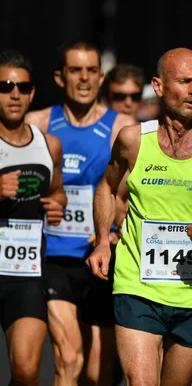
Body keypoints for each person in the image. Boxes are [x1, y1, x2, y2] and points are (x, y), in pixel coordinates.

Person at [86, 47, 192, 386]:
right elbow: (106, 188)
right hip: (138, 284)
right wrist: (103, 241)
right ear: (160, 86)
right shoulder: (133, 140)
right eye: (184, 81)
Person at [25, 40, 138, 386]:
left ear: (101, 77)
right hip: (53, 257)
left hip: (102, 258)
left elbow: (135, 194)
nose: (85, 78)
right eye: (76, 70)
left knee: (97, 374)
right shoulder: (37, 123)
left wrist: (116, 230)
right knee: (68, 357)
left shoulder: (123, 127)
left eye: (91, 70)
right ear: (60, 77)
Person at [0, 49, 67, 385]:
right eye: (5, 86)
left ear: (32, 94)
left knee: (26, 371)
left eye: (23, 88)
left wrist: (58, 204)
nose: (15, 94)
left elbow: (58, 190)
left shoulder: (49, 144)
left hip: (24, 271)